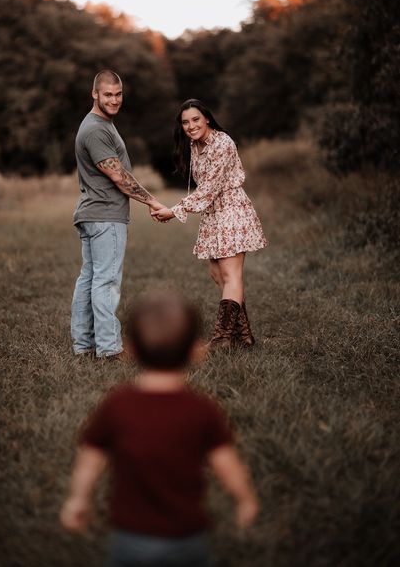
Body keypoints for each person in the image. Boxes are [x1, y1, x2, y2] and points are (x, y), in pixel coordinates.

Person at [60, 291, 259, 567]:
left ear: (131, 350)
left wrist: (78, 499)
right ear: (196, 351)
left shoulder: (117, 405)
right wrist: (245, 499)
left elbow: (91, 456)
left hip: (130, 537)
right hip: (187, 537)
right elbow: (226, 462)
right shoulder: (201, 409)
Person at [152, 99, 267, 348]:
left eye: (195, 119)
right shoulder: (195, 145)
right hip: (213, 214)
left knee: (231, 273)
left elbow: (209, 189)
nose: (191, 126)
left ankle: (221, 338)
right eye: (185, 122)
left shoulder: (222, 143)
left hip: (231, 209)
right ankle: (243, 336)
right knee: (217, 274)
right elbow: (204, 189)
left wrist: (174, 211)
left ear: (206, 118)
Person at [71, 70, 164, 358]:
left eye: (118, 94)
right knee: (106, 281)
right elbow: (118, 175)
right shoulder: (97, 129)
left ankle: (83, 345)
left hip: (94, 213)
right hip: (105, 216)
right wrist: (151, 201)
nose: (114, 100)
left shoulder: (101, 124)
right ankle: (109, 349)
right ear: (94, 94)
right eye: (107, 94)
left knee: (90, 278)